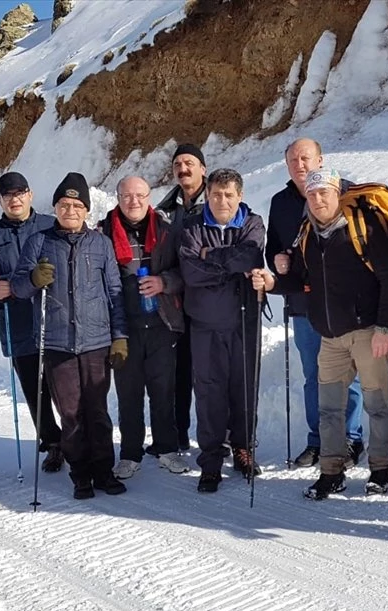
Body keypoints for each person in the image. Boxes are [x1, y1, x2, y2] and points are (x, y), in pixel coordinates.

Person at [253, 169, 388, 499]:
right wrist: (274, 283)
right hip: (331, 337)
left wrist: (385, 328)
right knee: (329, 409)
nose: (318, 200)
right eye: (312, 194)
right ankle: (331, 472)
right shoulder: (308, 234)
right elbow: (301, 282)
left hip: (367, 332)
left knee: (377, 405)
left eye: (324, 193)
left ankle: (381, 468)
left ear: (338, 194)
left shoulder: (364, 227)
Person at [11, 172, 130, 500]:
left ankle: (104, 471)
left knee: (97, 411)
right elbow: (19, 288)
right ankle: (80, 474)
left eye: (78, 205)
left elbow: (115, 292)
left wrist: (120, 336)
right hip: (57, 343)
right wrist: (34, 278)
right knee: (71, 412)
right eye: (65, 204)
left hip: (96, 342)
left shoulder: (101, 244)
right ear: (56, 207)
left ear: (86, 210)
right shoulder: (39, 241)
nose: (71, 210)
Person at [266, 139, 365, 468]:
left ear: (320, 160)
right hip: (303, 302)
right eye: (292, 159)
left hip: (342, 302)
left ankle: (350, 440)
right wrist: (277, 259)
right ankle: (318, 439)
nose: (299, 164)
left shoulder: (344, 193)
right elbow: (273, 248)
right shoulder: (280, 203)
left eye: (305, 158)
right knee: (313, 374)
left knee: (346, 375)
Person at [178, 168, 265, 493]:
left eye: (229, 194)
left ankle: (243, 447)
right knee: (210, 392)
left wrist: (211, 257)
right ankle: (211, 458)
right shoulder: (192, 225)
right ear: (207, 195)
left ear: (239, 196)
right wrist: (230, 264)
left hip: (245, 321)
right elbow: (190, 270)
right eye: (216, 194)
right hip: (205, 325)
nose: (222, 200)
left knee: (245, 387)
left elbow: (251, 255)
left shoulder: (252, 223)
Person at [0, 171, 65, 473]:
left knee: (65, 387)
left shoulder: (51, 224)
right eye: (8, 194)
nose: (15, 199)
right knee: (35, 389)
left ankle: (77, 440)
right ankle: (52, 443)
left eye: (20, 192)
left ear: (30, 194)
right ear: (0, 199)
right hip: (18, 323)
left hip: (56, 320)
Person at [98, 175, 190, 477]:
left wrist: (164, 282)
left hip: (162, 321)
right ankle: (130, 453)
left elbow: (184, 270)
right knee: (129, 393)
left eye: (139, 195)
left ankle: (167, 448)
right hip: (125, 326)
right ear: (117, 198)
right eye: (126, 196)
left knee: (164, 391)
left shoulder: (166, 229)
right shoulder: (102, 234)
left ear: (149, 196)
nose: (133, 201)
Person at [156, 143, 207, 452]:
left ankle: (221, 435)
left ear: (203, 167)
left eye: (189, 162)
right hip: (176, 303)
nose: (183, 168)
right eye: (177, 163)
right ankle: (178, 434)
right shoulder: (165, 209)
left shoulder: (217, 200)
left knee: (211, 372)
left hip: (212, 302)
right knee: (178, 371)